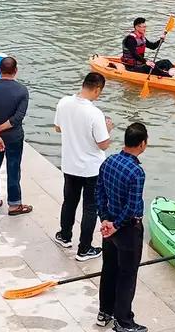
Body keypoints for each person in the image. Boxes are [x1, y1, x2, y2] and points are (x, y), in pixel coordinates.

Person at [95, 122, 149, 332]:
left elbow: (99, 192)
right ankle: (124, 321)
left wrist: (105, 219)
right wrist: (116, 225)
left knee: (109, 269)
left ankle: (104, 312)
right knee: (127, 275)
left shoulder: (108, 162)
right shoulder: (136, 172)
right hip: (126, 230)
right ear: (142, 144)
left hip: (109, 227)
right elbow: (133, 207)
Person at [53, 72, 112, 262]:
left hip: (70, 164)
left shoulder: (64, 103)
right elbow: (103, 144)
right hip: (91, 168)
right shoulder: (95, 113)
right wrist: (108, 128)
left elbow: (58, 128)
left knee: (69, 201)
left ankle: (65, 235)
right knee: (90, 207)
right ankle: (84, 248)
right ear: (97, 89)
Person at [0, 57, 31, 215]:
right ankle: (14, 205)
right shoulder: (22, 91)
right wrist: (2, 129)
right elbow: (18, 118)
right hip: (14, 137)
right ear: (15, 71)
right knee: (13, 168)